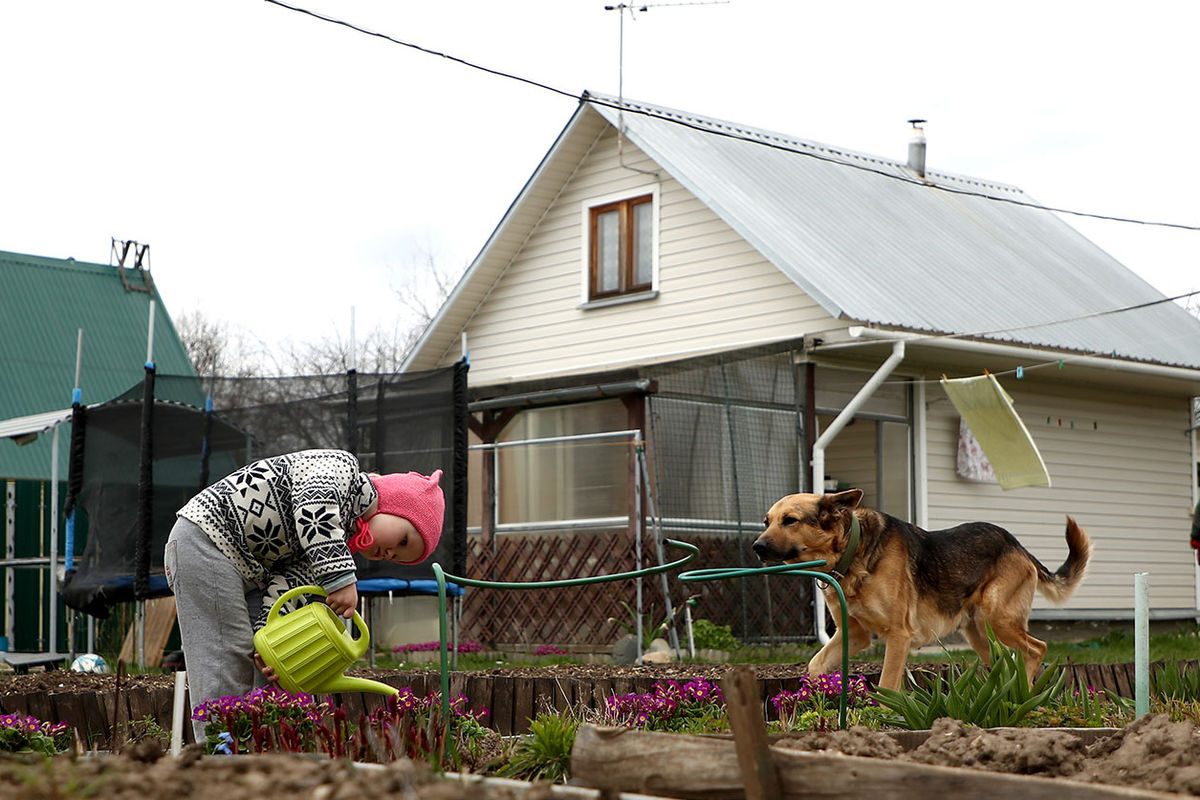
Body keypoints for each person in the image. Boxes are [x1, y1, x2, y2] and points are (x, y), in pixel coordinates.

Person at [164, 449, 444, 740]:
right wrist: (340, 578)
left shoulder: (330, 548)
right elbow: (313, 508)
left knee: (256, 662)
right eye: (402, 540)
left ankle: (252, 751)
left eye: (398, 556)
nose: (390, 552)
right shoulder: (341, 470)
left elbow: (286, 592)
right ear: (393, 504)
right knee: (226, 656)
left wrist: (269, 649)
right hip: (204, 540)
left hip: (243, 567)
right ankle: (217, 756)